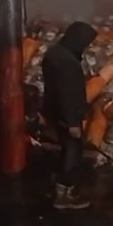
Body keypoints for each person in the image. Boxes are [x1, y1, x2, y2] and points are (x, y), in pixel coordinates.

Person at [42, 21, 97, 210]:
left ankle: (55, 189)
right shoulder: (67, 62)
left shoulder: (55, 54)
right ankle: (63, 194)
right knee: (71, 153)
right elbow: (67, 94)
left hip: (56, 113)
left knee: (65, 151)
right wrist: (72, 122)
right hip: (68, 116)